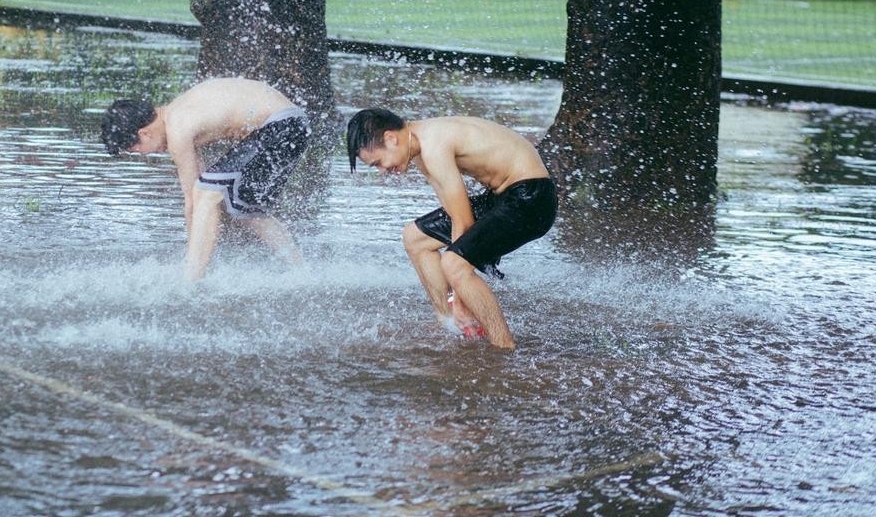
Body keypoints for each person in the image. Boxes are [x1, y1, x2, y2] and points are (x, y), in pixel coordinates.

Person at [346, 107, 557, 349]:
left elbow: (463, 221)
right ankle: (449, 322)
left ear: (391, 138)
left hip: (532, 198)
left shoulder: (435, 146)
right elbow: (455, 213)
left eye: (378, 163)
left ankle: (503, 344)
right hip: (504, 196)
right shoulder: (419, 147)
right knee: (415, 238)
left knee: (453, 263)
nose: (383, 172)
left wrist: (460, 297)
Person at [101, 77, 311, 280]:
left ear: (144, 133)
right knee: (247, 210)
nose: (146, 154)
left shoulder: (177, 127)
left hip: (283, 126)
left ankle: (191, 282)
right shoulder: (178, 111)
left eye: (137, 150)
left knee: (207, 192)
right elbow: (199, 187)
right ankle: (303, 273)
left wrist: (192, 257)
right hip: (293, 125)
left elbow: (194, 199)